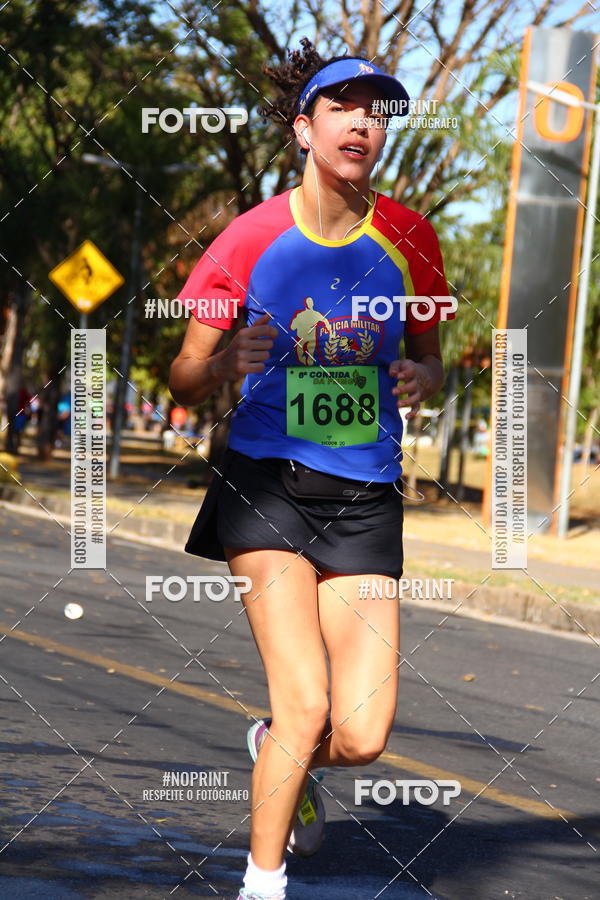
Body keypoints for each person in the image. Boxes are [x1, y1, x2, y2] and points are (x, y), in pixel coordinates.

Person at [169, 39, 454, 900]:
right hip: (265, 486)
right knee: (306, 704)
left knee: (361, 734)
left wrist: (421, 375)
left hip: (365, 493)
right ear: (306, 127)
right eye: (343, 107)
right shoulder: (250, 237)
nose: (364, 121)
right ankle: (264, 881)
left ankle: (273, 747)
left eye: (376, 109)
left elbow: (434, 357)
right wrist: (223, 368)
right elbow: (182, 372)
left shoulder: (410, 237)